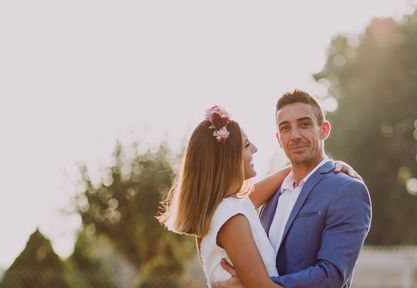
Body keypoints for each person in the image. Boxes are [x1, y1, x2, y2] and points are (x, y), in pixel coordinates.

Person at [158, 104, 360, 287]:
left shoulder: (220, 208)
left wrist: (329, 166)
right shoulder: (232, 217)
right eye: (247, 146)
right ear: (229, 158)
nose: (255, 150)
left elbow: (283, 179)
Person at [213, 90, 372, 288]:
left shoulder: (347, 190)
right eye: (285, 128)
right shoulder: (271, 194)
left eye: (304, 124)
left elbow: (332, 277)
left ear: (324, 129)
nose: (295, 135)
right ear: (279, 139)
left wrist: (255, 284)